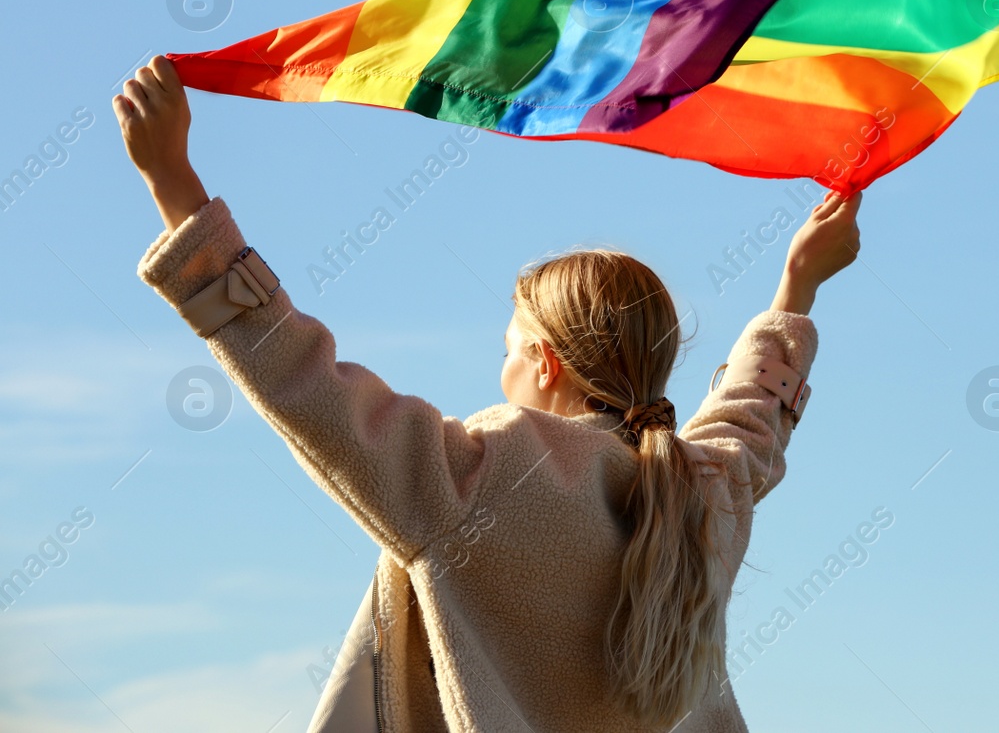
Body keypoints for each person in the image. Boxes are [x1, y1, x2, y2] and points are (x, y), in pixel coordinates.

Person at [115, 55, 862, 731]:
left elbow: (299, 376)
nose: (498, 369)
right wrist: (799, 282)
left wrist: (173, 184)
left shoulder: (476, 477)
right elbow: (754, 412)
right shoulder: (702, 494)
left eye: (506, 351)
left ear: (544, 363)